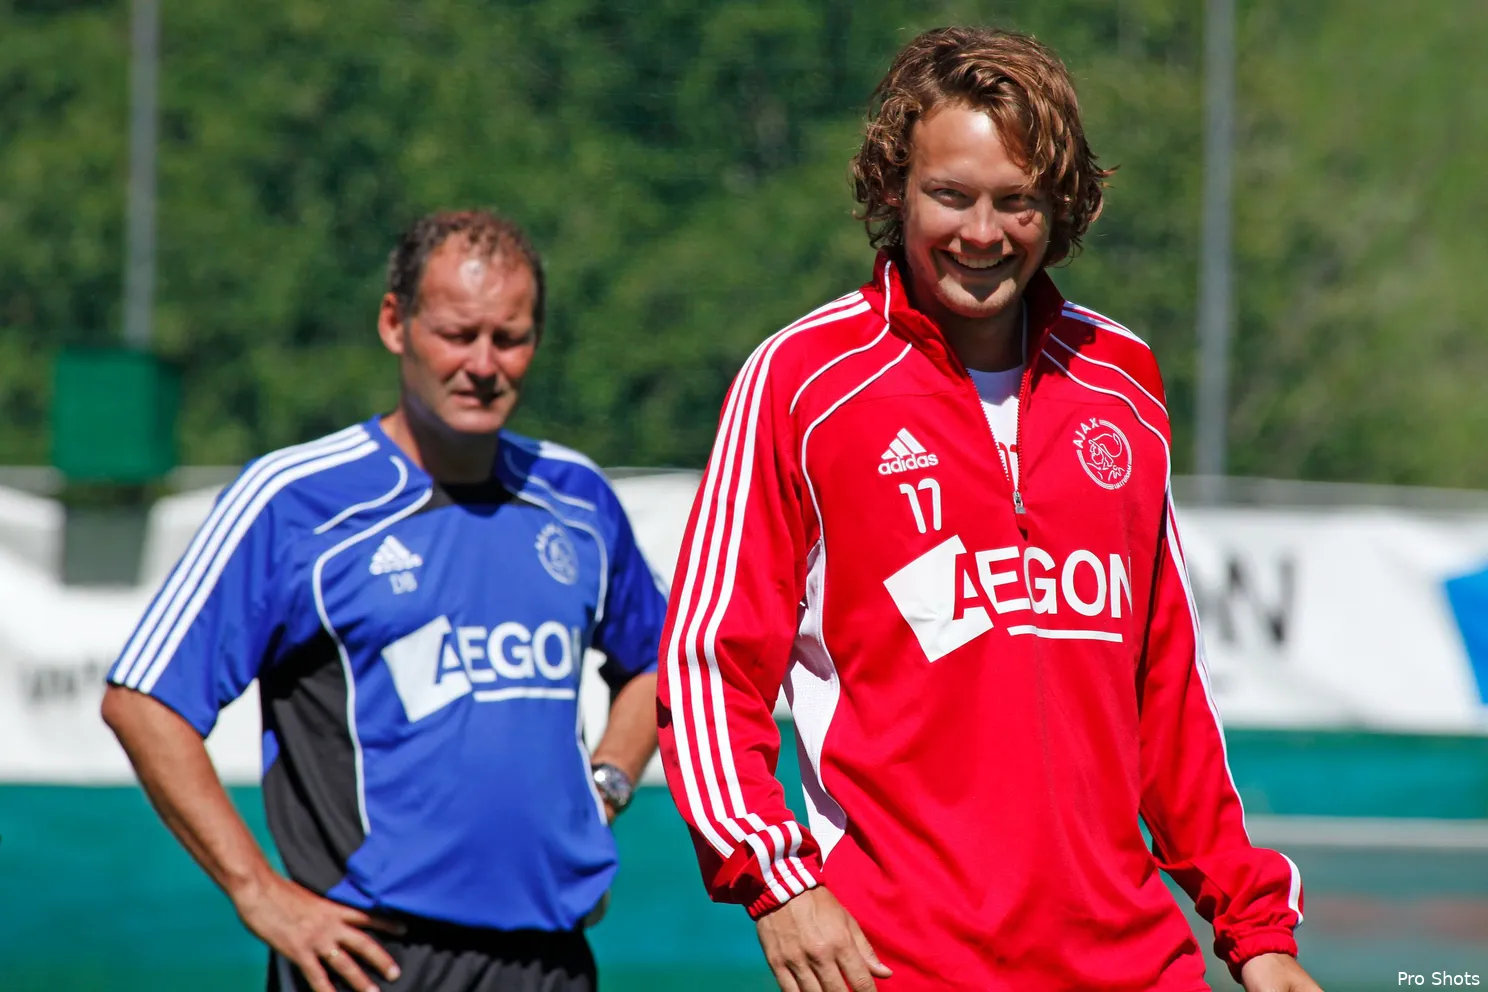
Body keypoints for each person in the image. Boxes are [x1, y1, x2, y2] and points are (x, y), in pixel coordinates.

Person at [657, 27, 1321, 992]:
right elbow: (709, 663)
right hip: (901, 962)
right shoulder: (804, 382)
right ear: (894, 188)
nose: (983, 232)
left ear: (1063, 206)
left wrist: (1256, 932)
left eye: (1018, 201)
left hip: (1136, 964)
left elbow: (1167, 689)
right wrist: (777, 879)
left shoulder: (1121, 379)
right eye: (951, 195)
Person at [102, 210, 665, 992]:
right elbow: (144, 702)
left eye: (509, 338)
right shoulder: (295, 500)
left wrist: (605, 785)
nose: (483, 364)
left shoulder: (575, 497)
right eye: (457, 334)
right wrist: (258, 894)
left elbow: (662, 662)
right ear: (395, 323)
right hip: (372, 962)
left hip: (551, 959)